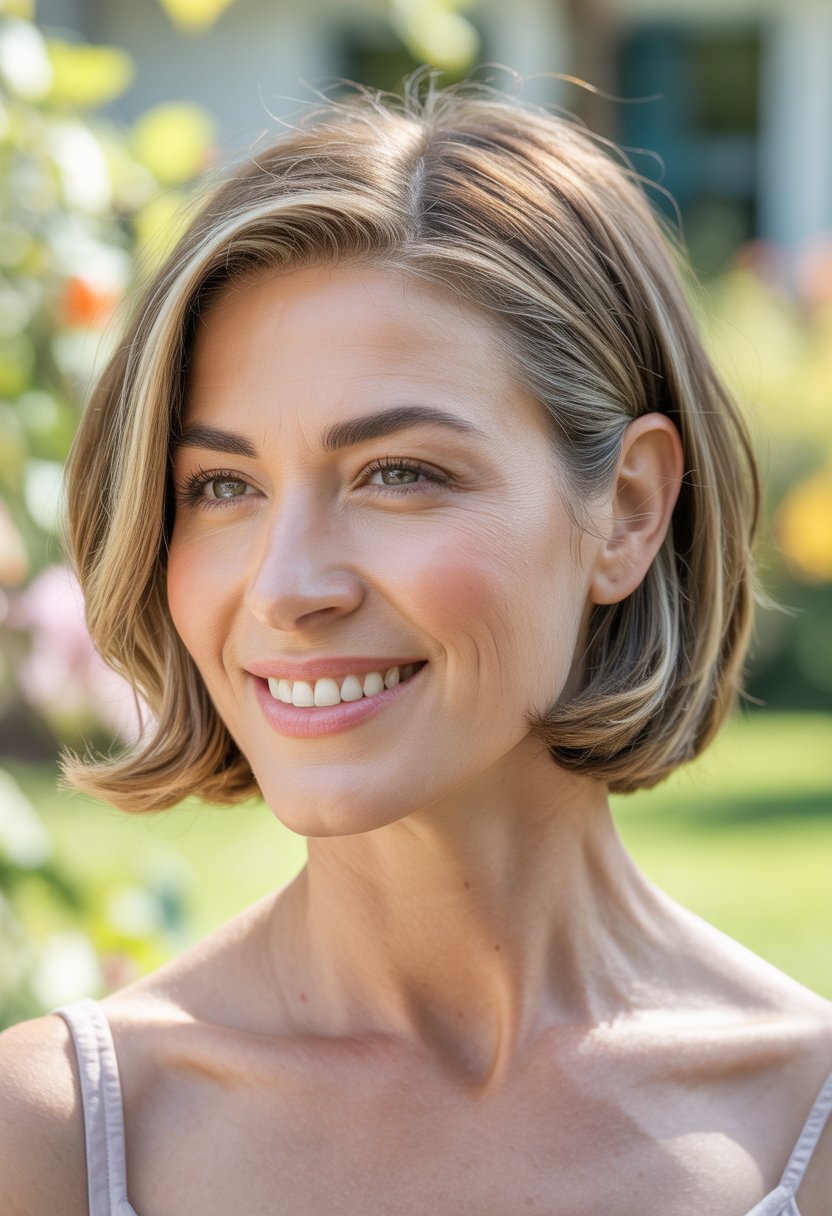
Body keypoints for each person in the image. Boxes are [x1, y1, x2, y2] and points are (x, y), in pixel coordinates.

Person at [1, 76, 831, 1216]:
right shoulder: (51, 1140)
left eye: (399, 474)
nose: (289, 587)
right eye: (224, 485)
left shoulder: (803, 1125)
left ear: (629, 510)